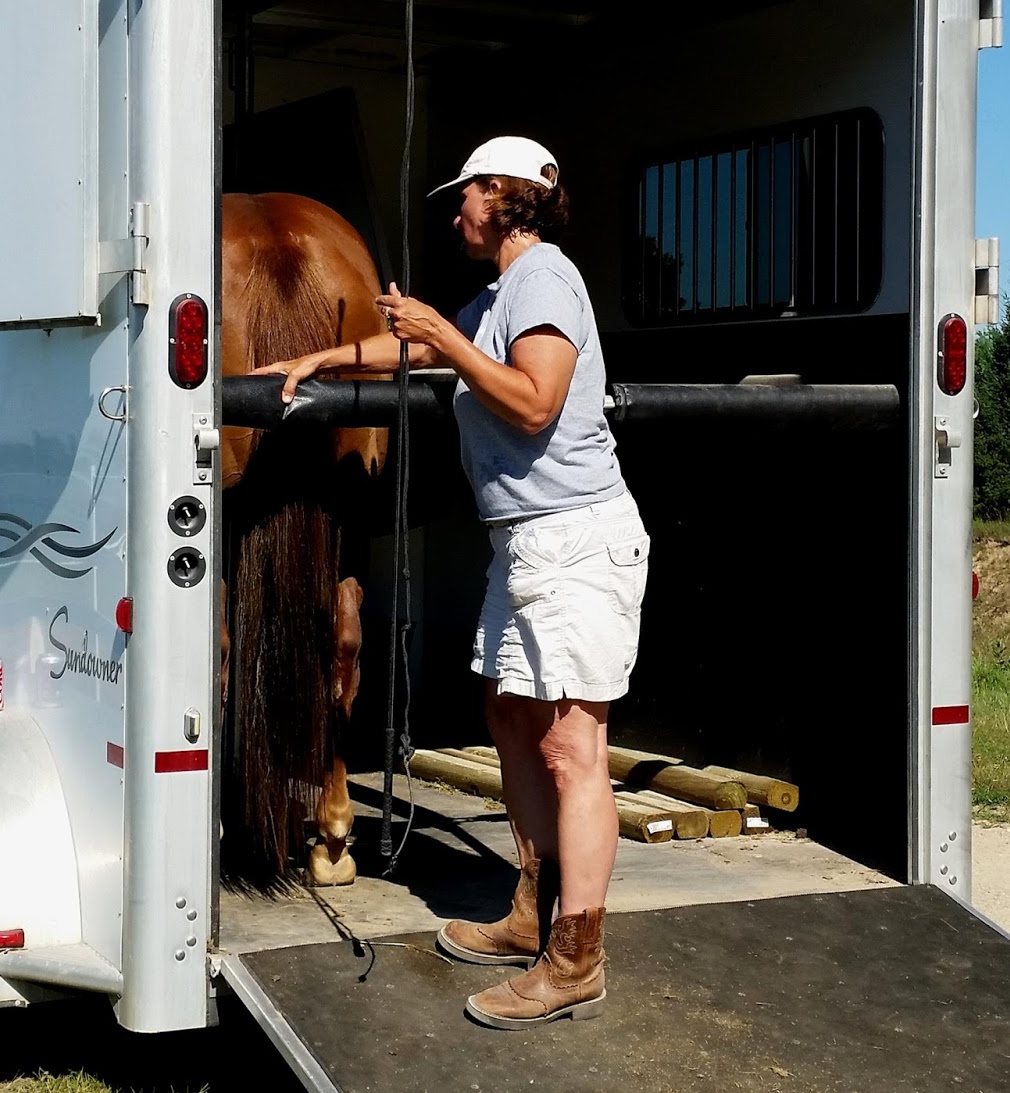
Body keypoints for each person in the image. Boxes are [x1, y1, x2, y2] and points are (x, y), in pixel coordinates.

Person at [254, 136, 648, 1029]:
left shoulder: (543, 280)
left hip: (573, 538)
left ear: (503, 195)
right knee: (509, 717)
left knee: (573, 748)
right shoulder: (501, 294)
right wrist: (324, 361)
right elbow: (418, 353)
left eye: (464, 194)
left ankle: (575, 957)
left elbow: (535, 400)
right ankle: (532, 912)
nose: (455, 211)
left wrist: (443, 337)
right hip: (528, 542)